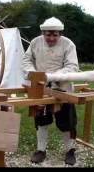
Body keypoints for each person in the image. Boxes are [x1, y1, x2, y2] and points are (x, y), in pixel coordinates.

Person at [22, 17, 79, 165]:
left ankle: (70, 150)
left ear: (60, 33)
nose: (51, 38)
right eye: (48, 34)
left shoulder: (68, 44)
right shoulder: (35, 42)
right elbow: (26, 60)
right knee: (41, 120)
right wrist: (33, 73)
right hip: (41, 88)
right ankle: (41, 150)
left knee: (67, 122)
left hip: (63, 89)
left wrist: (53, 76)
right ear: (43, 32)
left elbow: (72, 66)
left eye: (55, 35)